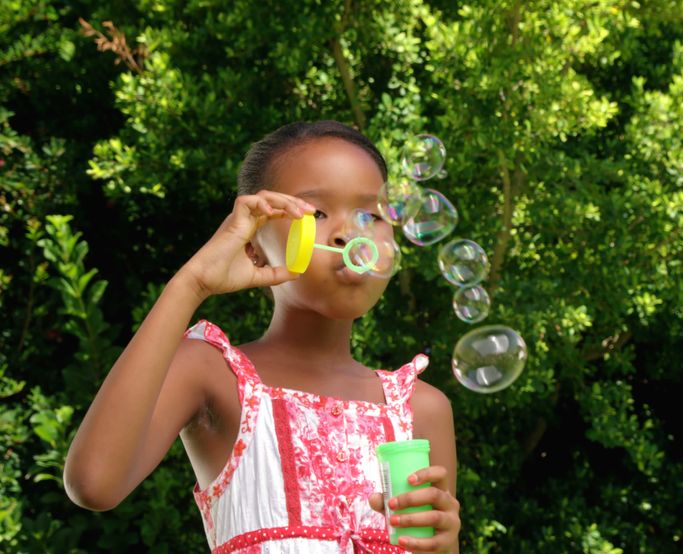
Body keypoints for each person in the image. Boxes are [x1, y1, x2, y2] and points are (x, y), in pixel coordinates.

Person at [63, 120, 461, 553]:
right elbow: (94, 484)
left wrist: (445, 546)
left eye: (371, 214)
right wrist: (191, 284)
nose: (350, 234)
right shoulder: (213, 373)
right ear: (253, 244)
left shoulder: (421, 409)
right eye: (318, 214)